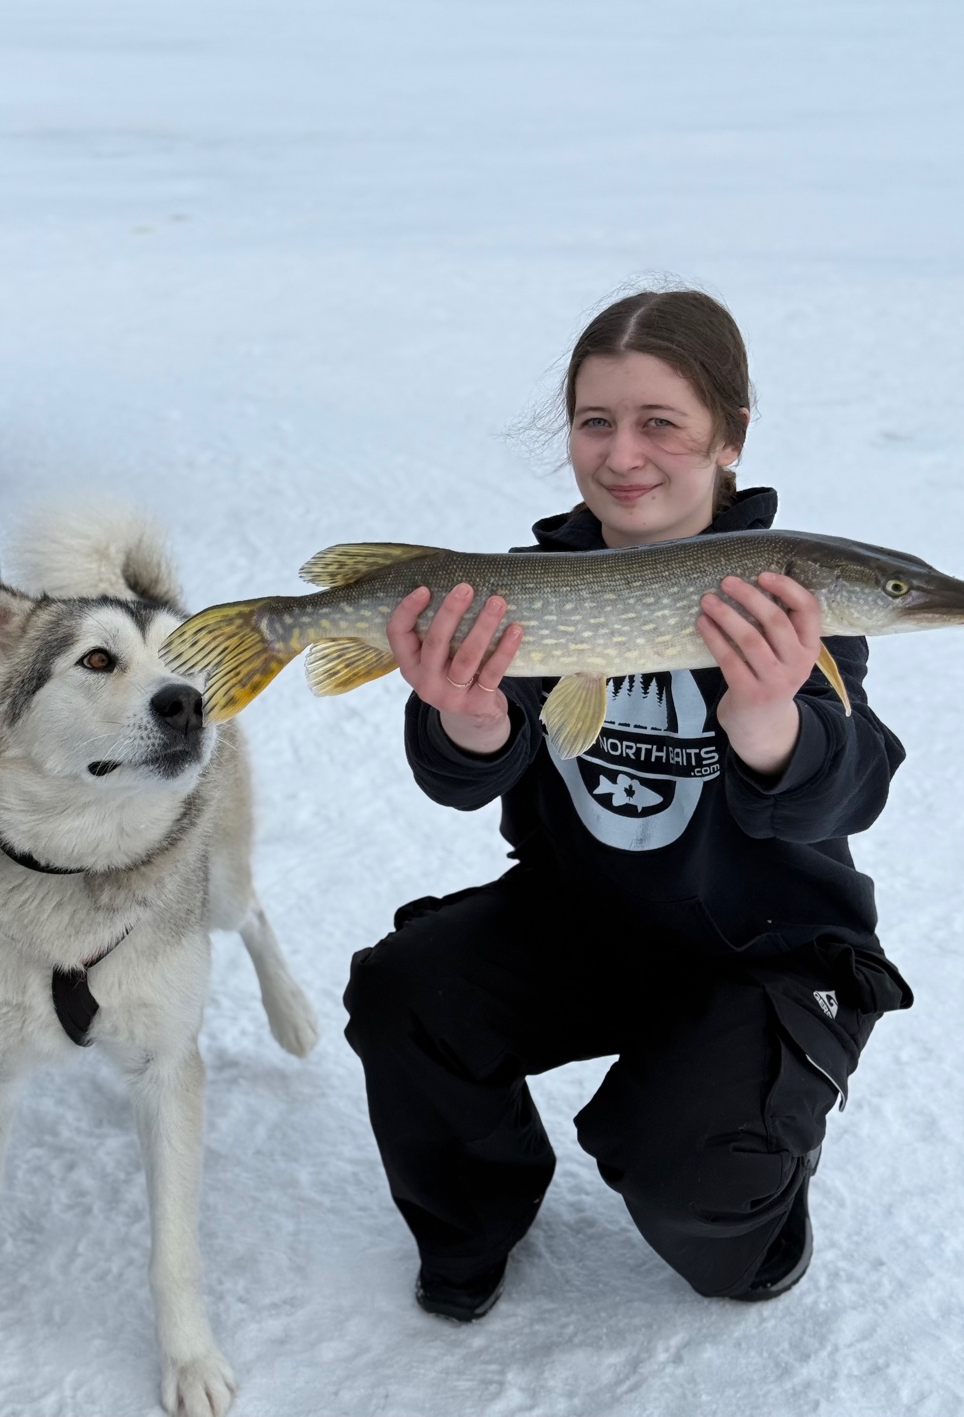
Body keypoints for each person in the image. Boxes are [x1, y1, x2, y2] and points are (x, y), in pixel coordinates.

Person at [343, 288, 913, 1321]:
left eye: (662, 423)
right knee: (406, 994)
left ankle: (755, 1235)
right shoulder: (522, 591)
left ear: (730, 436)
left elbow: (856, 783)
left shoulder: (788, 600)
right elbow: (461, 778)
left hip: (766, 950)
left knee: (681, 1158)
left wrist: (768, 715)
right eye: (595, 421)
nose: (623, 454)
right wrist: (470, 718)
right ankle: (473, 1223)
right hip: (589, 920)